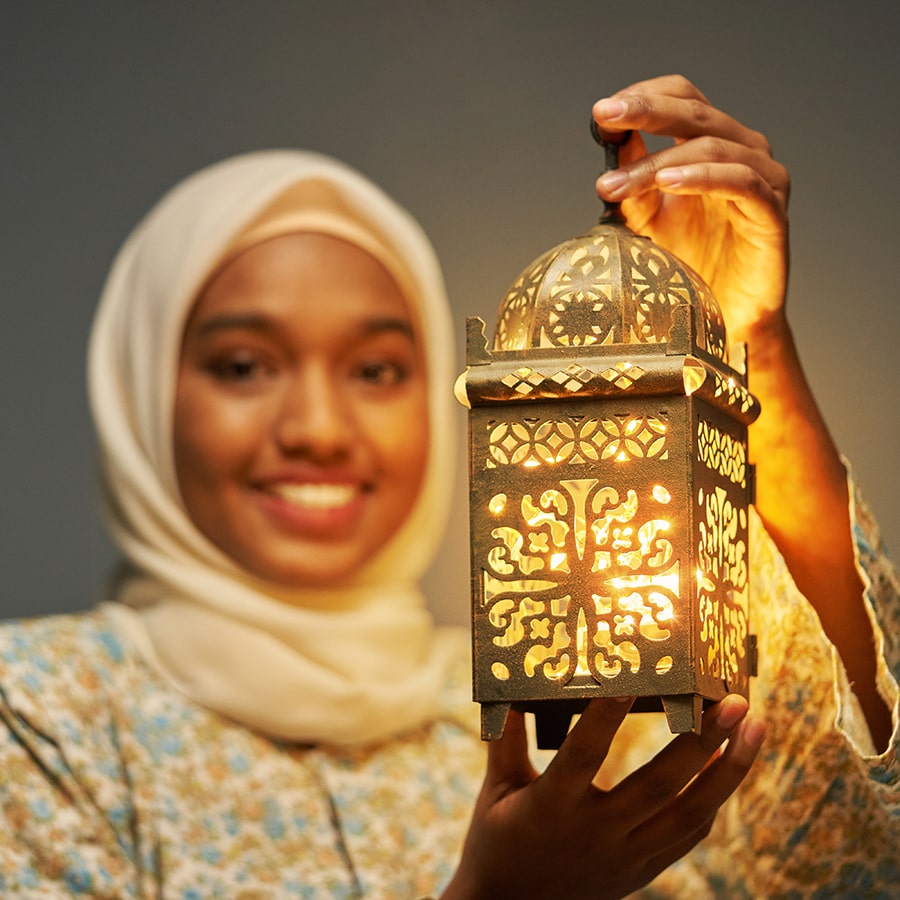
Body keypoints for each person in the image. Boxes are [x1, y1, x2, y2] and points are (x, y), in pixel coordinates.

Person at [0, 75, 896, 898]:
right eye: (243, 365)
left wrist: (753, 346)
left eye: (379, 371)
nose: (317, 427)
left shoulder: (600, 714)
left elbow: (844, 860)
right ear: (143, 392)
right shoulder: (44, 720)